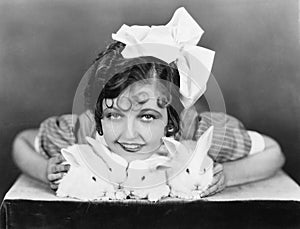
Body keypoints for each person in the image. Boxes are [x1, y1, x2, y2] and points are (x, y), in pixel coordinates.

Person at [12, 7, 285, 198]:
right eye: (114, 115)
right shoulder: (82, 132)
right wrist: (44, 170)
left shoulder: (196, 133)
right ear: (98, 115)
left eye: (147, 116)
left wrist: (227, 175)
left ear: (172, 119)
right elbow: (22, 142)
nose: (129, 134)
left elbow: (274, 152)